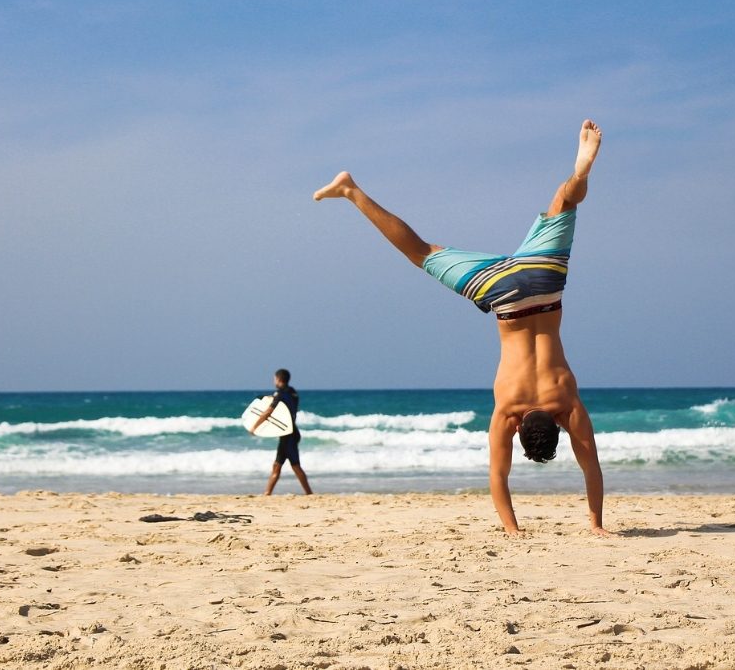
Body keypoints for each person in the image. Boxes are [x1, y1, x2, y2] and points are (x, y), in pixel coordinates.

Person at [313, 120, 608, 536]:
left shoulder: (567, 403)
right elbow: (499, 476)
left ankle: (579, 174)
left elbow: (592, 467)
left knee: (565, 201)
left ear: (555, 427)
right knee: (421, 252)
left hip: (544, 282)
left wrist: (597, 523)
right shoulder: (510, 410)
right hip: (502, 296)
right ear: (520, 430)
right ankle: (350, 191)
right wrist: (512, 529)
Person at [249, 368, 313, 495]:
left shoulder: (280, 394)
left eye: (274, 378)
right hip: (292, 432)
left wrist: (254, 427)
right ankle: (267, 493)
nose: (274, 381)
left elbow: (268, 412)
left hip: (288, 435)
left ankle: (309, 493)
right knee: (277, 465)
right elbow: (284, 404)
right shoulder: (293, 392)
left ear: (278, 379)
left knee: (295, 465)